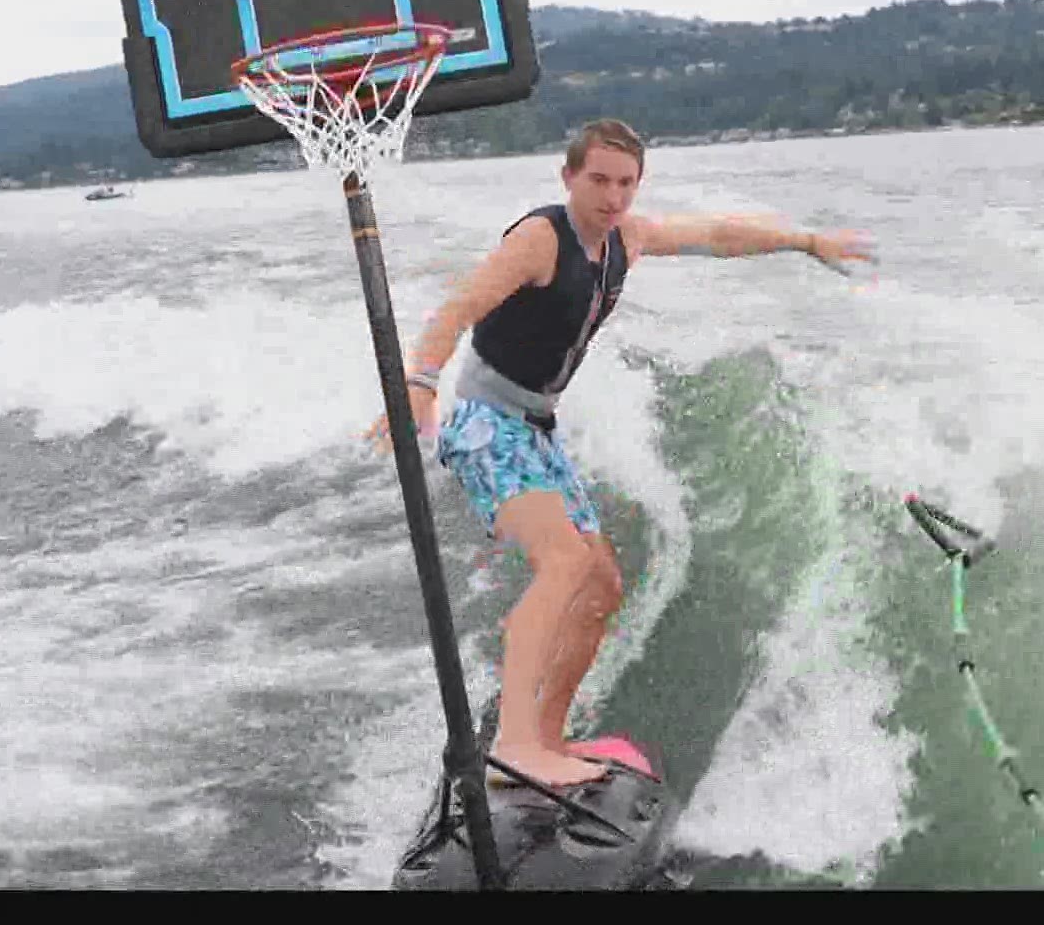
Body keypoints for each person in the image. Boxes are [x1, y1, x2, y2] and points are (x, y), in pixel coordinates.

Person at [367, 118, 877, 788]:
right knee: (564, 562)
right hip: (486, 423)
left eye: (625, 184)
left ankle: (549, 737)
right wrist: (421, 382)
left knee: (601, 585)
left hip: (536, 428)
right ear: (569, 177)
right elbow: (459, 306)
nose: (612, 196)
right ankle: (514, 746)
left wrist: (806, 241)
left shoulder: (625, 239)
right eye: (599, 180)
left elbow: (716, 235)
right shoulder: (540, 239)